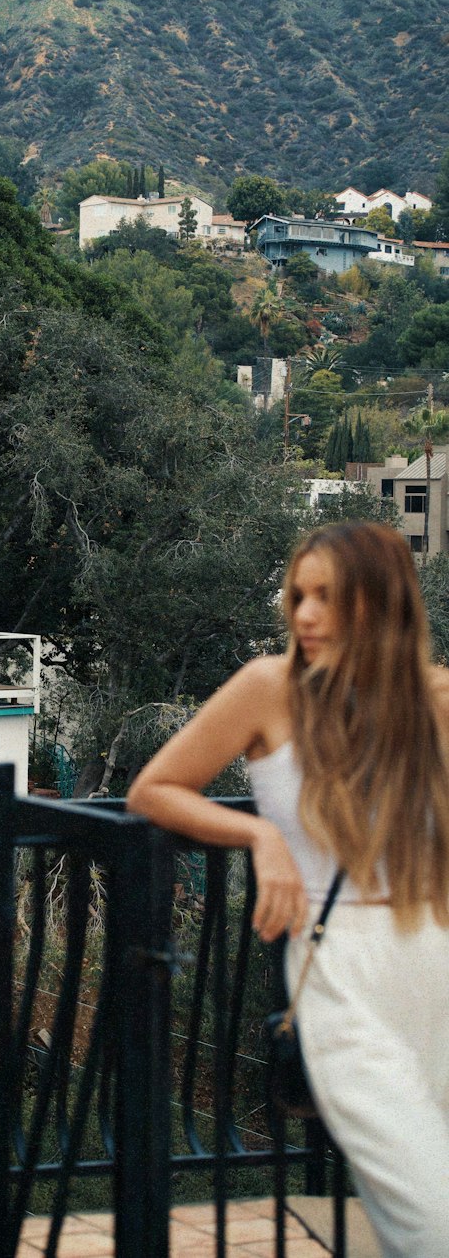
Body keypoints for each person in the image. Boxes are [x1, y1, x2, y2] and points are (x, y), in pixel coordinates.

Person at [126, 520, 449, 1258]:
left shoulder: (437, 699)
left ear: (383, 602)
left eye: (327, 598)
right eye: (298, 596)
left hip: (437, 954)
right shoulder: (268, 688)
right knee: (430, 1214)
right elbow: (154, 790)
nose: (304, 616)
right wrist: (260, 836)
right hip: (339, 968)